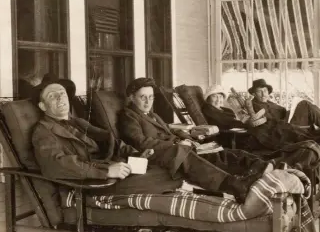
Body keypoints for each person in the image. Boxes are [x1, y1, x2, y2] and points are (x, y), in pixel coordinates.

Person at [31, 75, 273, 204]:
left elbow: (114, 144)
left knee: (175, 160)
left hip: (120, 169)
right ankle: (234, 187)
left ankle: (233, 185)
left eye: (62, 93)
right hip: (95, 185)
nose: (60, 98)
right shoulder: (43, 132)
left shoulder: (78, 123)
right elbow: (56, 165)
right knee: (175, 165)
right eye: (52, 95)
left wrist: (136, 155)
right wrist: (106, 171)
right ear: (43, 105)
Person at [249, 79, 320, 128]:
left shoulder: (269, 102)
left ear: (268, 91)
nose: (264, 94)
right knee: (304, 104)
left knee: (306, 106)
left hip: (288, 121)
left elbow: (282, 112)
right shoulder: (255, 105)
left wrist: (291, 112)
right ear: (253, 94)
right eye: (259, 92)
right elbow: (270, 122)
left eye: (265, 91)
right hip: (285, 128)